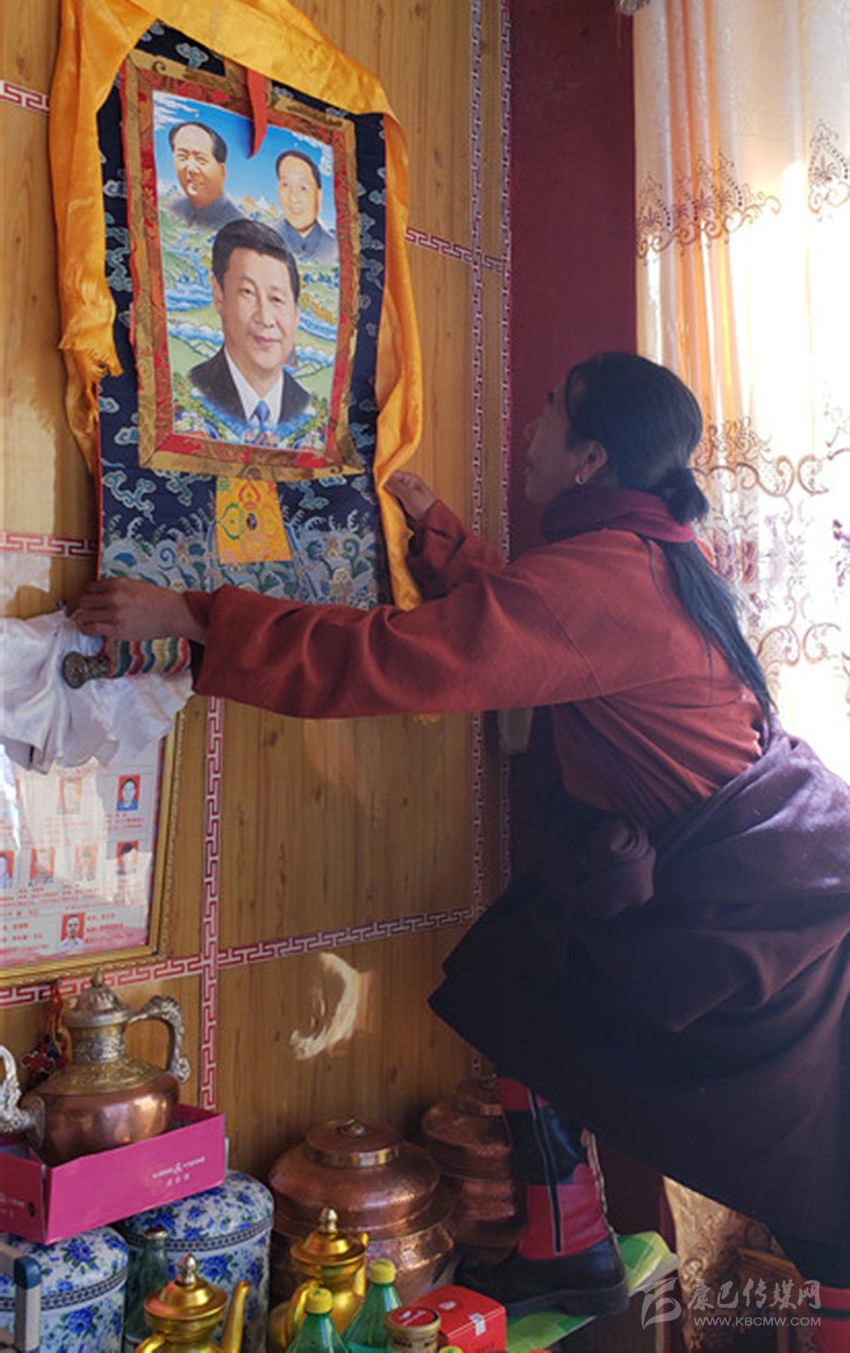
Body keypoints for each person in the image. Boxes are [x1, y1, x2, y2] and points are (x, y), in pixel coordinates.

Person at [75, 353, 850, 1346]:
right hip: (767, 875)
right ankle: (568, 1242)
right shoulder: (641, 554)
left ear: (590, 456)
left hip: (766, 914)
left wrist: (194, 613)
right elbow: (533, 624)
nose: (528, 426)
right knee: (526, 979)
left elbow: (399, 655)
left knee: (820, 1192)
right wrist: (439, 535)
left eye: (549, 410)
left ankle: (581, 1241)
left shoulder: (607, 575)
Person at [189, 220, 312, 432]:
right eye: (248, 292)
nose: (265, 318)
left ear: (296, 315)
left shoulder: (308, 407)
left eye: (277, 299)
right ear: (219, 295)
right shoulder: (191, 390)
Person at [167, 121, 243, 231]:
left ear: (222, 171)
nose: (191, 169)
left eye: (201, 159)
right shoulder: (172, 208)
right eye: (182, 157)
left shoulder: (237, 225)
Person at [275, 149, 338, 262]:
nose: (293, 197)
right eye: (285, 185)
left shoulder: (334, 248)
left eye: (303, 188)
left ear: (319, 197)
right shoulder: (263, 239)